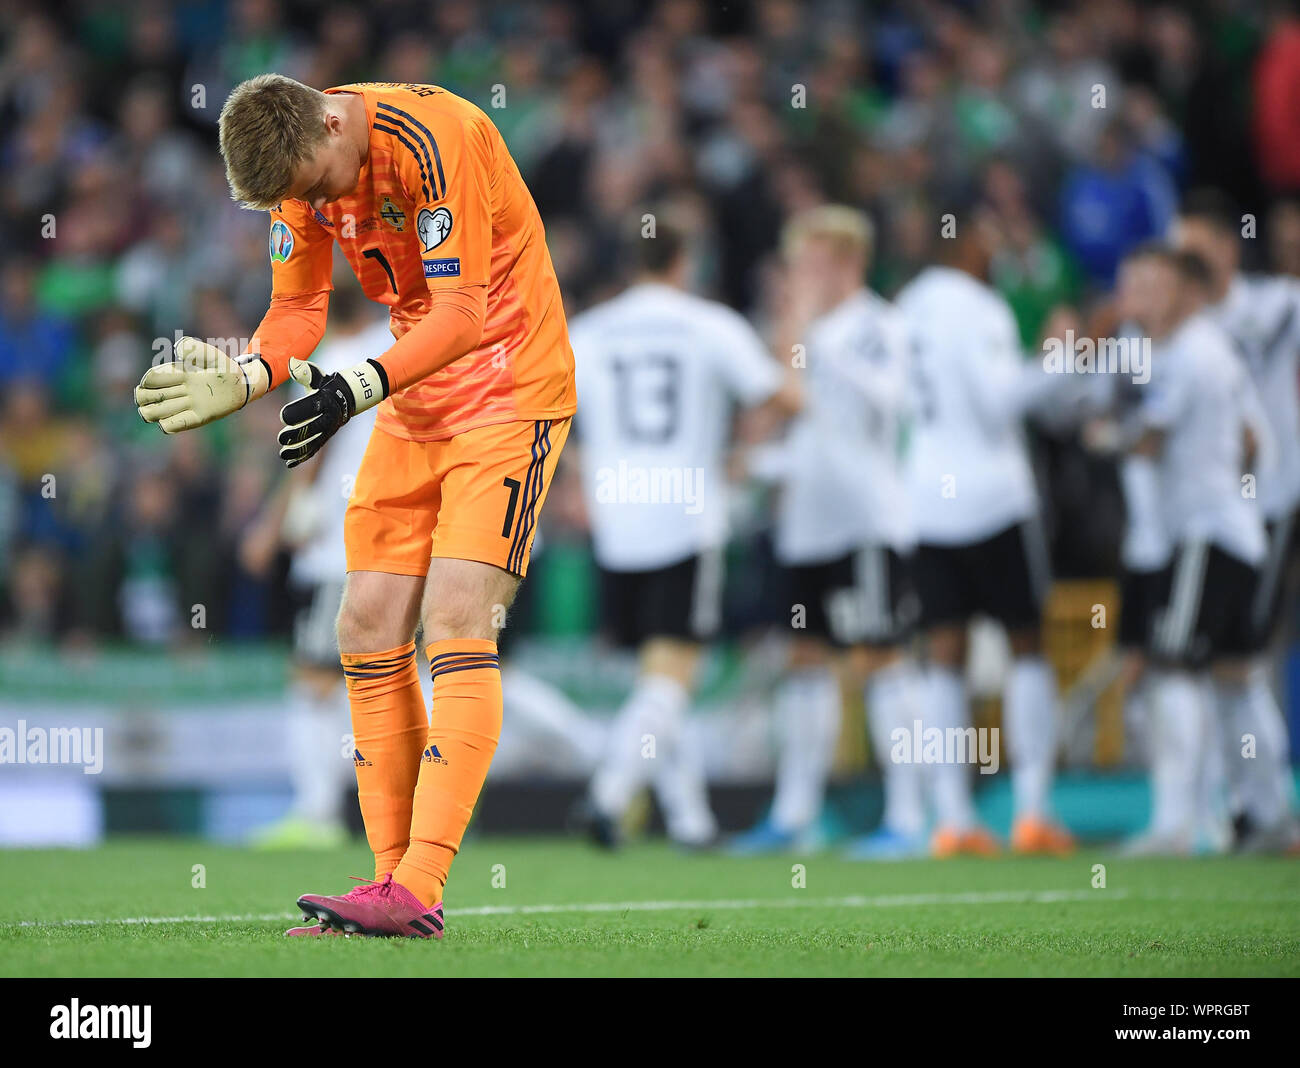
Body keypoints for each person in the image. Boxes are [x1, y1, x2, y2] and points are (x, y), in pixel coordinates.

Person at [134, 75, 576, 938]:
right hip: (417, 397)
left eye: (317, 185)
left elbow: (459, 312)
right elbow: (297, 307)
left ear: (332, 121)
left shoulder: (435, 136)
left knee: (456, 617)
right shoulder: (298, 164)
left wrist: (351, 388)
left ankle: (421, 882)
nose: (315, 206)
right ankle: (386, 884)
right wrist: (249, 376)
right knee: (365, 624)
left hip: (509, 389)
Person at [570, 219, 798, 849]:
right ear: (682, 261)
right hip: (685, 516)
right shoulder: (710, 324)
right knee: (673, 677)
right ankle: (608, 796)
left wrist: (582, 476)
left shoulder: (587, 332)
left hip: (615, 521)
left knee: (655, 676)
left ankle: (692, 821)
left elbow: (537, 412)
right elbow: (782, 396)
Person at [731, 205, 926, 856]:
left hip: (866, 518)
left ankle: (907, 817)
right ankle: (795, 814)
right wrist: (759, 462)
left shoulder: (878, 324)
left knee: (880, 657)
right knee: (805, 659)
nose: (800, 272)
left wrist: (807, 336)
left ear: (848, 261)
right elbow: (795, 415)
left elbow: (885, 404)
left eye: (811, 258)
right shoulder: (803, 329)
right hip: (807, 523)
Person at [896, 210, 1075, 857]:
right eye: (991, 235)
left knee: (944, 655)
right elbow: (1001, 402)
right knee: (1027, 647)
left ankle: (952, 819)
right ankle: (1031, 811)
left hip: (924, 499)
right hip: (994, 497)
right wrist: (1061, 358)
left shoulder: (907, 305)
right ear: (965, 239)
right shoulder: (981, 308)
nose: (998, 248)